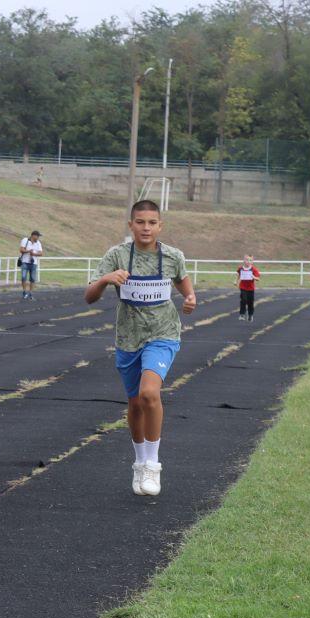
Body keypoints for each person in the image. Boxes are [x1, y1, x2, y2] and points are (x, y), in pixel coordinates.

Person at [84, 200, 197, 497]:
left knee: (150, 394)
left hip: (163, 333)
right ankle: (139, 461)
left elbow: (184, 283)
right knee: (134, 403)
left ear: (160, 225)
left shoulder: (173, 256)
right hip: (128, 338)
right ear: (131, 224)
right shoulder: (117, 255)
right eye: (140, 222)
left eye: (152, 222)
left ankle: (153, 465)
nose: (146, 228)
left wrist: (190, 299)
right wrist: (107, 279)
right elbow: (89, 297)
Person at [234, 254, 260, 322]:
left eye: (250, 260)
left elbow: (258, 278)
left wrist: (254, 277)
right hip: (243, 287)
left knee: (250, 303)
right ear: (244, 260)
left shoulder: (253, 269)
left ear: (252, 261)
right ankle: (242, 314)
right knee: (243, 300)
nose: (248, 261)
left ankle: (250, 315)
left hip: (251, 289)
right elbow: (238, 275)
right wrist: (235, 281)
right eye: (247, 260)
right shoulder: (240, 268)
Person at [19, 230, 44, 299]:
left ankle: (30, 293)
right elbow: (21, 250)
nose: (38, 237)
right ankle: (24, 291)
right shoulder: (25, 240)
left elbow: (41, 253)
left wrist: (34, 254)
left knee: (32, 279)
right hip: (25, 262)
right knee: (23, 277)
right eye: (37, 236)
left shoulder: (38, 243)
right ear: (33, 235)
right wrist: (28, 251)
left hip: (33, 263)